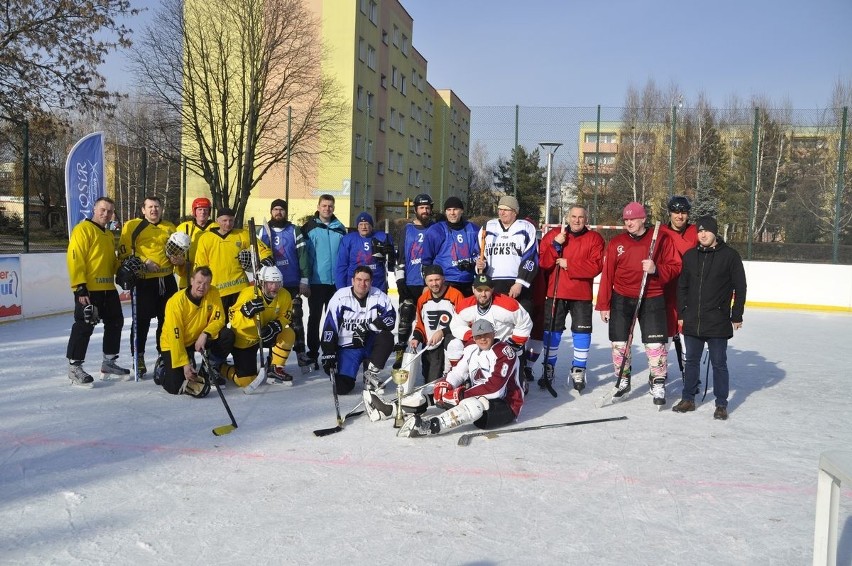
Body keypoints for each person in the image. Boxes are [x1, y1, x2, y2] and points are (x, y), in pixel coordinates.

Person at [596, 201, 681, 406]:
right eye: (626, 219)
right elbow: (607, 275)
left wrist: (656, 269)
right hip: (622, 298)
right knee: (619, 343)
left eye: (633, 218)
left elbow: (676, 266)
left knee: (655, 343)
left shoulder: (660, 238)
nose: (629, 223)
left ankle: (657, 380)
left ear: (643, 218)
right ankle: (623, 380)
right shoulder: (617, 243)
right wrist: (604, 304)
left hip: (652, 296)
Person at [396, 319, 524, 438]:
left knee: (474, 405)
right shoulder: (472, 349)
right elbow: (458, 373)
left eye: (486, 334)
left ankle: (430, 426)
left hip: (506, 405)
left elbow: (495, 389)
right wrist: (447, 384)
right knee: (438, 389)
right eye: (478, 336)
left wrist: (462, 395)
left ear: (493, 333)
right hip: (479, 396)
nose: (483, 339)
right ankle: (396, 408)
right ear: (473, 337)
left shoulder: (505, 352)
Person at [673, 216, 746, 420]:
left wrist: (736, 314)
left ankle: (721, 403)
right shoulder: (690, 256)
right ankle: (688, 399)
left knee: (719, 363)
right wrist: (681, 313)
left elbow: (740, 287)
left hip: (718, 320)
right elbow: (682, 287)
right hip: (693, 320)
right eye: (700, 231)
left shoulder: (730, 256)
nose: (703, 235)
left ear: (715, 232)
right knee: (692, 362)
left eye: (706, 231)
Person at [538, 205, 605, 392]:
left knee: (582, 333)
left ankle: (579, 369)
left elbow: (596, 266)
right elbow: (542, 263)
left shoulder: (595, 238)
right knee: (552, 332)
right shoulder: (553, 235)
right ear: (568, 217)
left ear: (586, 219)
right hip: (556, 292)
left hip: (581, 293)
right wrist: (555, 246)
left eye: (581, 217)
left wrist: (570, 264)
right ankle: (548, 368)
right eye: (573, 216)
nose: (577, 220)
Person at [65, 197, 129, 386]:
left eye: (110, 211)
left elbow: (111, 262)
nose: (106, 214)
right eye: (102, 209)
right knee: (84, 326)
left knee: (115, 322)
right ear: (94, 209)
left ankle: (109, 363)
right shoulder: (83, 229)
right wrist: (80, 287)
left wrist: (122, 270)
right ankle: (74, 366)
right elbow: (75, 257)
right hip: (89, 290)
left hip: (108, 289)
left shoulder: (108, 235)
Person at [118, 195, 180, 376]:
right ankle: (139, 356)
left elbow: (176, 250)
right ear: (143, 210)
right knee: (141, 322)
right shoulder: (132, 226)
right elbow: (123, 253)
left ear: (161, 209)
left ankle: (164, 354)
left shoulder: (169, 227)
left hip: (166, 280)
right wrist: (144, 262)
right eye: (150, 207)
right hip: (144, 281)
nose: (154, 210)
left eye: (157, 207)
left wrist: (178, 259)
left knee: (167, 319)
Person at [158, 266, 235, 396]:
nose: (202, 287)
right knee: (175, 387)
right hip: (175, 343)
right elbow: (175, 337)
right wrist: (185, 364)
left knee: (227, 335)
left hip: (198, 338)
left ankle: (209, 368)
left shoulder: (213, 292)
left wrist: (205, 334)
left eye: (206, 284)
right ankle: (162, 368)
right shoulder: (175, 302)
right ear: (192, 281)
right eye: (199, 282)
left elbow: (219, 319)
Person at [449, 274, 532, 393]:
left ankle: (519, 377)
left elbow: (525, 323)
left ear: (492, 289)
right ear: (473, 289)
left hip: (504, 346)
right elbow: (456, 325)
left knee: (513, 390)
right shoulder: (465, 305)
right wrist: (472, 336)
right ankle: (461, 377)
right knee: (454, 344)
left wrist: (513, 343)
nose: (483, 294)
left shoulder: (508, 304)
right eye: (479, 290)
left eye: (487, 290)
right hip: (480, 344)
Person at [321, 266, 397, 395]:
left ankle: (371, 374)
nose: (362, 283)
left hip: (370, 344)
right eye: (359, 279)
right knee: (342, 388)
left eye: (366, 280)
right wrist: (328, 353)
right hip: (348, 347)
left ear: (371, 282)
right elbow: (330, 326)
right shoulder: (340, 297)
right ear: (352, 281)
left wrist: (369, 328)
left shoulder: (379, 295)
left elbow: (391, 319)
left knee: (387, 337)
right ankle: (345, 372)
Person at [222, 265, 297, 386]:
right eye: (270, 283)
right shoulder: (248, 294)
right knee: (246, 381)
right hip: (247, 339)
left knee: (289, 333)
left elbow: (286, 316)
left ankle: (276, 368)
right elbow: (233, 320)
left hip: (267, 333)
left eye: (277, 283)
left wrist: (277, 325)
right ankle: (222, 368)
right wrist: (245, 313)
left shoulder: (284, 295)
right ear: (262, 283)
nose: (274, 287)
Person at [259, 199, 311, 371]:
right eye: (275, 209)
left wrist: (304, 280)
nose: (278, 212)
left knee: (295, 317)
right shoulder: (263, 231)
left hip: (291, 282)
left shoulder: (294, 230)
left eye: (281, 209)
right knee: (269, 319)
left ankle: (301, 352)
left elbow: (303, 255)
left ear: (285, 212)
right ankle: (271, 356)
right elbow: (256, 256)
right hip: (269, 284)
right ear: (271, 211)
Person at [194, 207, 273, 318]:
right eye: (225, 220)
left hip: (240, 288)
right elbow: (201, 265)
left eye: (231, 220)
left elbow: (262, 248)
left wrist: (266, 258)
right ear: (217, 221)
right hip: (217, 291)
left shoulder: (242, 234)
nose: (228, 223)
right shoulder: (206, 238)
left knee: (242, 321)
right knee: (219, 325)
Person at [302, 194, 347, 370]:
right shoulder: (309, 228)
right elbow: (304, 256)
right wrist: (305, 279)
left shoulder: (340, 228)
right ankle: (313, 353)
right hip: (316, 281)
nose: (327, 209)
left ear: (333, 208)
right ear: (318, 206)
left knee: (335, 319)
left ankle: (332, 351)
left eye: (330, 206)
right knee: (314, 318)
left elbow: (345, 256)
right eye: (324, 205)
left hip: (336, 282)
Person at [476, 195, 538, 316]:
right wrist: (480, 265)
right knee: (495, 321)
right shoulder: (488, 227)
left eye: (506, 209)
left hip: (516, 284)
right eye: (500, 209)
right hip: (492, 283)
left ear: (515, 212)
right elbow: (478, 252)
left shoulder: (526, 228)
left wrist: (520, 283)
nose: (502, 212)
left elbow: (531, 257)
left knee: (520, 321)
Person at [393, 193, 434, 368]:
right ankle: (399, 356)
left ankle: (428, 360)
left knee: (427, 324)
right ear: (415, 209)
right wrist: (400, 281)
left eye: (427, 208)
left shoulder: (435, 229)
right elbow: (400, 258)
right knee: (404, 322)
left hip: (429, 285)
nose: (425, 211)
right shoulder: (406, 230)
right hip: (410, 284)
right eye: (421, 208)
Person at [659, 195, 699, 373]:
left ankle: (688, 373)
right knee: (665, 332)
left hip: (689, 291)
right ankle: (659, 372)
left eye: (683, 212)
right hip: (666, 289)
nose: (679, 216)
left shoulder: (696, 232)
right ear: (670, 213)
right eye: (676, 212)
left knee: (686, 333)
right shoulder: (660, 232)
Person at [408, 265, 465, 383]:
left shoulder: (456, 295)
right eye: (430, 280)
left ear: (443, 279)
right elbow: (420, 324)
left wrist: (443, 332)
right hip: (431, 345)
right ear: (426, 282)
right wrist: (416, 337)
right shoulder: (422, 299)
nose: (434, 283)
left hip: (450, 342)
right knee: (430, 382)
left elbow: (463, 322)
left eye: (437, 279)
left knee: (450, 379)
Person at [421, 196, 480, 297]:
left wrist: (473, 262)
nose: (452, 213)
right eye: (449, 210)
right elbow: (426, 260)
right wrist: (426, 284)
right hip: (445, 282)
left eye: (455, 209)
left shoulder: (473, 229)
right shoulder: (436, 230)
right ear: (445, 212)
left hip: (469, 281)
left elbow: (480, 254)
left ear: (461, 211)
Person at [335, 212, 395, 293]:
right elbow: (342, 266)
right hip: (354, 285)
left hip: (377, 284)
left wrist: (391, 254)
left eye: (366, 224)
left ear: (371, 226)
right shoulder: (348, 240)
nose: (363, 227)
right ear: (357, 226)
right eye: (361, 224)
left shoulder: (382, 238)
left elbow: (391, 265)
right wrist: (340, 288)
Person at [174, 197, 218, 289]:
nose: (202, 212)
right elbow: (174, 249)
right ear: (195, 211)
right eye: (200, 209)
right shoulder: (183, 227)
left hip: (211, 276)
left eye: (205, 209)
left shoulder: (216, 228)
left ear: (209, 212)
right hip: (188, 275)